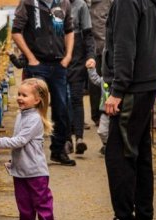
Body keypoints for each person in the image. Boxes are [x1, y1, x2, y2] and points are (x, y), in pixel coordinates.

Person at [94, 0, 156, 220]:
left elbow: (125, 46)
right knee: (140, 153)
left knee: (119, 154)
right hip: (147, 81)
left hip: (132, 86)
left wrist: (118, 90)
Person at [0, 78, 58, 220]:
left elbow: (20, 141)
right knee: (24, 206)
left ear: (37, 100)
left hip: (35, 171)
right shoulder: (20, 115)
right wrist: (14, 162)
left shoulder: (35, 119)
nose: (19, 98)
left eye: (24, 95)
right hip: (21, 171)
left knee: (42, 204)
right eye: (19, 94)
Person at [11, 0, 76, 166]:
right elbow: (16, 31)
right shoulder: (28, 3)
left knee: (62, 108)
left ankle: (58, 150)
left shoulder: (63, 3)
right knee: (33, 109)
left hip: (58, 64)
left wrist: (68, 56)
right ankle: (29, 153)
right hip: (37, 65)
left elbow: (69, 31)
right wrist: (31, 58)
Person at [66, 0, 96, 155]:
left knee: (77, 98)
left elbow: (88, 35)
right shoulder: (54, 4)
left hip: (78, 59)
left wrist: (91, 56)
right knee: (62, 100)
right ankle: (66, 139)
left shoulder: (81, 6)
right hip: (60, 58)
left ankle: (79, 138)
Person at [88, 0, 113, 127]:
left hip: (102, 47)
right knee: (97, 83)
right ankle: (98, 115)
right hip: (94, 48)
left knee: (102, 82)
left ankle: (101, 114)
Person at [86, 60, 109, 155]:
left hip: (118, 111)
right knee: (102, 131)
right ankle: (106, 144)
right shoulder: (104, 79)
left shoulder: (121, 79)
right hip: (105, 111)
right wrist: (91, 69)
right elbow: (96, 79)